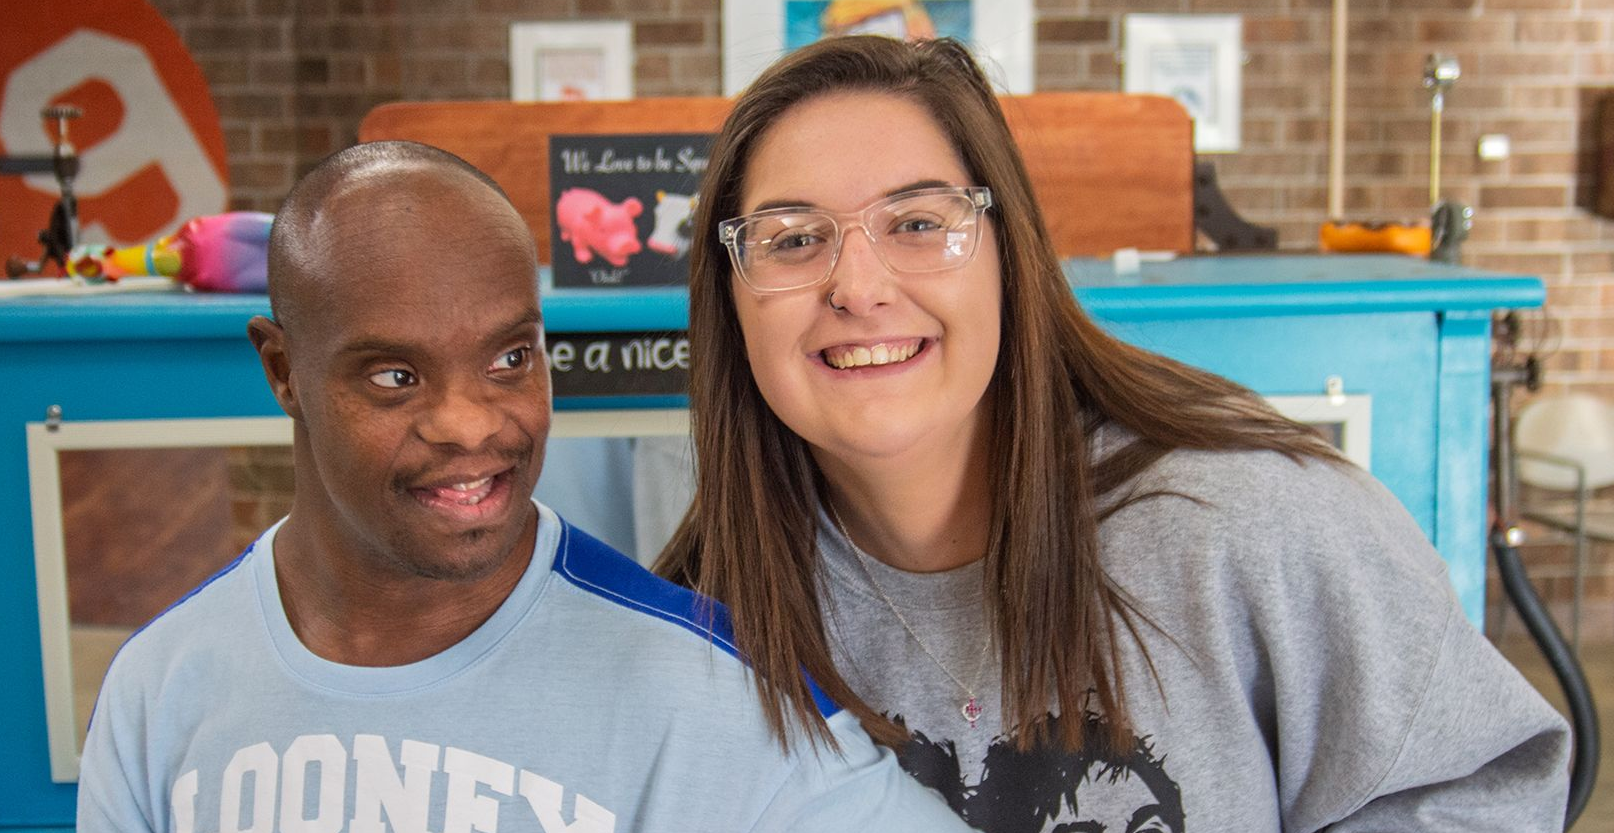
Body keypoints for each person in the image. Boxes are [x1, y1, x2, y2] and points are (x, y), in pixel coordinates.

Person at [655, 35, 1573, 831]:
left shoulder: (1248, 522)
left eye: (919, 222)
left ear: (1011, 254)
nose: (857, 285)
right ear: (730, 301)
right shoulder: (701, 626)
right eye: (791, 238)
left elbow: (1481, 788)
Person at [75, 140, 976, 832]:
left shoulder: (707, 688)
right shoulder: (159, 691)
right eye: (395, 376)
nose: (469, 424)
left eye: (511, 359)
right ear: (282, 370)